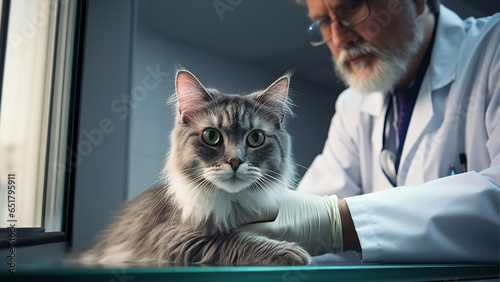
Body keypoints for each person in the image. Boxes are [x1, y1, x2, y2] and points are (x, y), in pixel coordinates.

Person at [244, 0, 500, 263]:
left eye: (352, 7)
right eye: (323, 22)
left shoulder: (493, 48)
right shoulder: (353, 105)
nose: (339, 38)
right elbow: (308, 221)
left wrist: (339, 223)